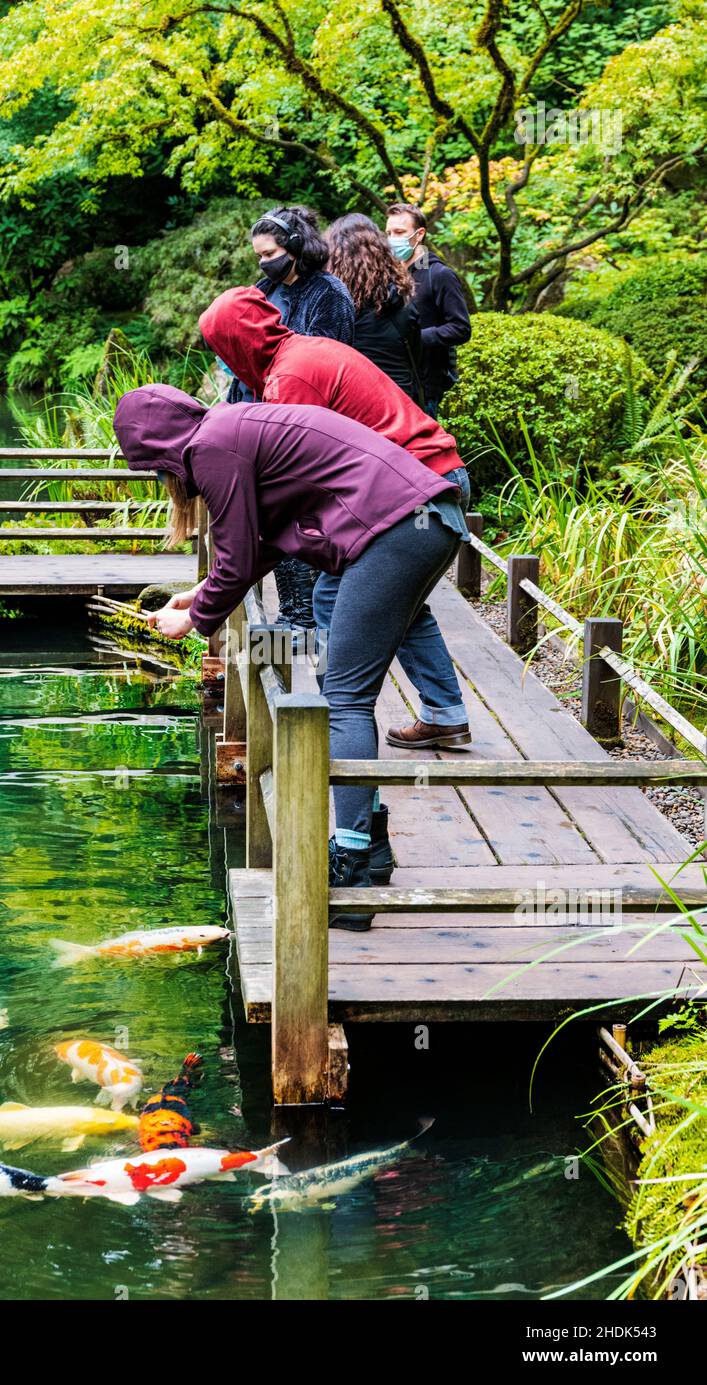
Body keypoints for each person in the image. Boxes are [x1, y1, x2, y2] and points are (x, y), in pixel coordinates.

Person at [113, 383, 467, 932]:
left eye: (151, 469)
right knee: (348, 689)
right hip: (425, 521)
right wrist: (204, 591)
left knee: (345, 697)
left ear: (155, 448)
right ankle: (371, 848)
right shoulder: (231, 430)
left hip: (398, 530)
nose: (160, 481)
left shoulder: (211, 448)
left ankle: (347, 869)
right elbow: (263, 543)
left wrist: (196, 619)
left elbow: (237, 555)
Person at [198, 284, 472, 796]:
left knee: (333, 595)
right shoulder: (306, 350)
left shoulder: (291, 379)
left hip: (414, 489)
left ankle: (340, 718)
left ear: (238, 343)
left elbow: (297, 479)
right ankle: (444, 711)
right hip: (437, 479)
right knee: (401, 605)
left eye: (222, 350)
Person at [227, 206, 355, 630]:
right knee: (271, 515)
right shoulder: (262, 290)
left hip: (305, 418)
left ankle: (309, 618)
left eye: (270, 253)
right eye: (259, 256)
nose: (264, 263)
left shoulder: (330, 293)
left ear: (296, 247)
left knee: (303, 516)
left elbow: (325, 359)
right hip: (257, 413)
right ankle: (292, 613)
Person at [325, 212, 425, 407]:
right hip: (400, 403)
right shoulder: (401, 298)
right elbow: (415, 353)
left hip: (352, 404)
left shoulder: (332, 306)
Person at [384, 203, 471, 419]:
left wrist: (415, 338)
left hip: (425, 388)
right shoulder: (389, 274)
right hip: (391, 381)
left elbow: (461, 328)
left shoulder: (439, 274)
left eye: (400, 232)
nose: (392, 238)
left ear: (419, 234)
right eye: (388, 233)